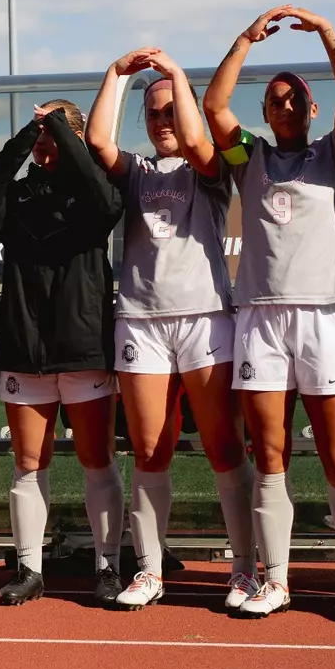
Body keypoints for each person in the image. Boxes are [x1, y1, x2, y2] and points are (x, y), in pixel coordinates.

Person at [204, 6, 335, 620]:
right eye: (276, 101)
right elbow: (215, 107)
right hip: (261, 318)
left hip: (325, 315)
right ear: (266, 113)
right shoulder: (248, 157)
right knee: (269, 455)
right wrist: (244, 40)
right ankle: (273, 579)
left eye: (295, 98)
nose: (286, 106)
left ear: (314, 108)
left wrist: (330, 38)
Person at [86, 47, 255, 612]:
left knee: (222, 445)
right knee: (149, 449)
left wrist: (177, 75)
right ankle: (150, 570)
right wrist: (116, 74)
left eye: (170, 111)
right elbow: (98, 143)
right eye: (154, 113)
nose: (163, 122)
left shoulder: (210, 166)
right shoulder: (136, 171)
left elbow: (199, 143)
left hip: (205, 317)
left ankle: (244, 568)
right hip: (141, 321)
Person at [0, 100, 125, 606]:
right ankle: (30, 569)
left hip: (83, 347)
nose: (43, 140)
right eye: (40, 131)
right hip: (26, 345)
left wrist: (62, 130)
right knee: (28, 463)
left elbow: (106, 204)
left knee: (96, 460)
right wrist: (26, 136)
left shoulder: (97, 190)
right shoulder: (18, 195)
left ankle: (108, 567)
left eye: (53, 131)